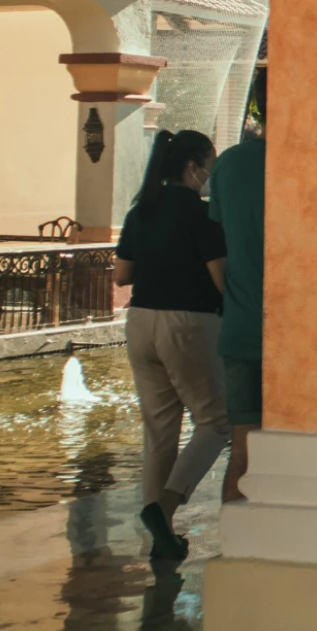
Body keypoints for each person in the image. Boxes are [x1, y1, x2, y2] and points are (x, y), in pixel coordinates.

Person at [116, 128, 229, 561]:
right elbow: (221, 281)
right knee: (215, 422)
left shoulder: (139, 211)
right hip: (188, 322)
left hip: (139, 321)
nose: (209, 174)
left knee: (160, 431)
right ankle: (163, 511)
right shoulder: (201, 217)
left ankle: (160, 537)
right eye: (209, 166)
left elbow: (121, 276)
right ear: (192, 166)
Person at [206, 71, 266, 502]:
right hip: (305, 339)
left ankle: (235, 553)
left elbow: (217, 251)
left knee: (243, 454)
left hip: (241, 327)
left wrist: (236, 298)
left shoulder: (228, 164)